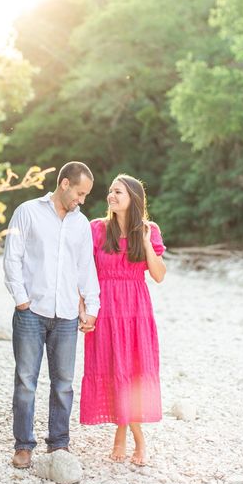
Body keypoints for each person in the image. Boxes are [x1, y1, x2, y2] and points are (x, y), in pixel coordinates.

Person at [3, 161, 100, 469]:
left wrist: (92, 308)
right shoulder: (28, 212)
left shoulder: (80, 224)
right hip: (32, 312)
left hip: (68, 314)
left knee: (63, 383)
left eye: (86, 196)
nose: (82, 201)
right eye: (80, 193)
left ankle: (59, 443)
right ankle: (23, 445)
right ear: (65, 185)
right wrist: (21, 299)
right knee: (26, 381)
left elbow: (85, 267)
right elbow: (12, 256)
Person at [79, 174, 166, 466]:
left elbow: (158, 275)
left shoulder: (149, 230)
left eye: (118, 192)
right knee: (112, 367)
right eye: (110, 191)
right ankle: (127, 436)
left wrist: (146, 243)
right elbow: (83, 273)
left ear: (133, 197)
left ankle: (129, 436)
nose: (111, 196)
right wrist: (83, 307)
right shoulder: (97, 229)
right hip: (105, 308)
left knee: (132, 370)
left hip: (135, 311)